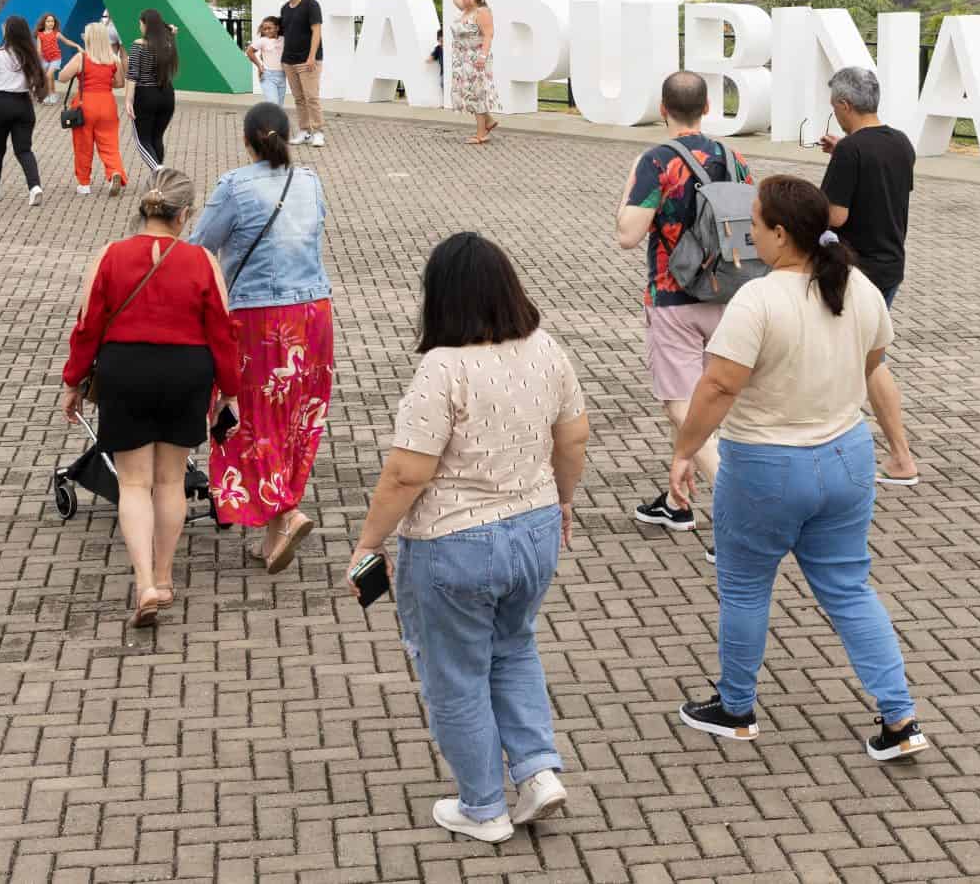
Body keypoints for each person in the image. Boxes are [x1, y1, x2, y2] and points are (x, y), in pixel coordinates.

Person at [668, 175, 928, 763]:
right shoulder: (857, 285)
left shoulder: (758, 299)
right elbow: (873, 359)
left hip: (766, 465)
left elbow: (717, 386)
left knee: (744, 586)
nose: (750, 231)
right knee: (849, 588)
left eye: (755, 223)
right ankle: (899, 717)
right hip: (847, 456)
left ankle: (736, 708)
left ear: (780, 234)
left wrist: (685, 450)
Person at [345, 232, 589, 842]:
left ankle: (484, 807)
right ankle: (537, 772)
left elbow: (407, 472)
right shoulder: (546, 349)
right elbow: (574, 436)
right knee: (513, 648)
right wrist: (561, 500)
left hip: (455, 543)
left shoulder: (443, 367)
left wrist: (369, 543)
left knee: (454, 674)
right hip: (534, 528)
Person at [59, 166, 238, 627]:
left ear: (145, 208)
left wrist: (73, 382)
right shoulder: (202, 261)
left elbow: (88, 324)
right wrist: (229, 391)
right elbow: (222, 330)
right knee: (172, 480)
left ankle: (143, 584)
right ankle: (165, 574)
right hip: (186, 372)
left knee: (134, 483)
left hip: (126, 370)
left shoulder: (111, 255)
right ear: (183, 215)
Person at [190, 101, 333, 572]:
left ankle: (285, 512)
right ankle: (276, 528)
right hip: (313, 314)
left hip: (259, 318)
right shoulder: (309, 181)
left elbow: (200, 246)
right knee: (295, 417)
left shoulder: (235, 184)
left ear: (248, 141)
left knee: (248, 419)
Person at [614, 71, 753, 532]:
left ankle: (737, 516)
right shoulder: (735, 159)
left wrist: (631, 192)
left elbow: (628, 236)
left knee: (681, 403)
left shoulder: (656, 162)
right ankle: (677, 501)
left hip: (674, 297)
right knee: (714, 398)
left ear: (662, 107)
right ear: (708, 107)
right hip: (733, 293)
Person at [815, 66, 922, 485]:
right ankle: (898, 458)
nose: (835, 116)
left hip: (854, 268)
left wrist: (804, 205)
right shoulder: (899, 143)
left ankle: (888, 456)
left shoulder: (851, 152)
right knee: (867, 359)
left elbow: (836, 214)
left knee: (852, 361)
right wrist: (843, 152)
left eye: (834, 109)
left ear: (845, 105)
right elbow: (880, 182)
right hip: (891, 262)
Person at [0, 15, 50, 206]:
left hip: (0, 103)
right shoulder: (31, 55)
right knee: (24, 149)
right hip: (23, 104)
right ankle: (35, 187)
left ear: (8, 32)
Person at [56, 19, 128, 197]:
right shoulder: (113, 59)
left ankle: (84, 183)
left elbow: (63, 77)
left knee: (83, 145)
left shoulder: (82, 58)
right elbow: (119, 83)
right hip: (107, 103)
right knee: (110, 144)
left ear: (88, 39)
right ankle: (114, 173)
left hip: (85, 103)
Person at [447, 0, 499, 146]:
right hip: (462, 58)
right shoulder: (465, 10)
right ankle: (489, 121)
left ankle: (481, 134)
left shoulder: (481, 12)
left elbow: (488, 34)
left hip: (476, 57)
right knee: (467, 94)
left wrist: (483, 56)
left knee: (476, 94)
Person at [277, 0, 326, 147]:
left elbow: (316, 31)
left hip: (308, 60)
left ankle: (318, 132)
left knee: (311, 97)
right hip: (289, 60)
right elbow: (283, 34)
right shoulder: (285, 9)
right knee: (299, 98)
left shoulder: (311, 5)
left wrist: (312, 57)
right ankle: (305, 131)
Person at [127, 9, 178, 170]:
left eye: (140, 23)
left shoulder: (138, 45)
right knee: (157, 138)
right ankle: (159, 181)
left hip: (145, 96)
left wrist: (128, 100)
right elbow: (172, 29)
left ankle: (160, 172)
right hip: (167, 95)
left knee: (142, 140)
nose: (139, 26)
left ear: (145, 24)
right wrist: (169, 29)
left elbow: (133, 74)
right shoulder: (168, 43)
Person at [248, 16, 285, 107]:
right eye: (265, 29)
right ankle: (268, 120)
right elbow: (249, 52)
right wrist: (259, 66)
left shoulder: (283, 39)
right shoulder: (263, 41)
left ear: (277, 28)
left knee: (279, 106)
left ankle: (274, 121)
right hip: (268, 76)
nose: (267, 31)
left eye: (269, 28)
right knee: (273, 104)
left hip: (282, 76)